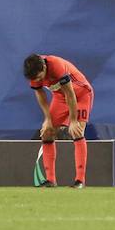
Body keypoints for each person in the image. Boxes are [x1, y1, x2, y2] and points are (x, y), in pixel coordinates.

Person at [23, 53, 94, 188]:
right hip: (60, 97)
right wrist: (47, 119)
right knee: (47, 132)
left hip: (81, 94)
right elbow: (40, 94)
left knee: (77, 131)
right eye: (35, 78)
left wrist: (73, 120)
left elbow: (70, 93)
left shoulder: (56, 65)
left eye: (40, 77)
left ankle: (80, 181)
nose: (38, 80)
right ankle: (51, 180)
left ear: (44, 67)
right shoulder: (34, 71)